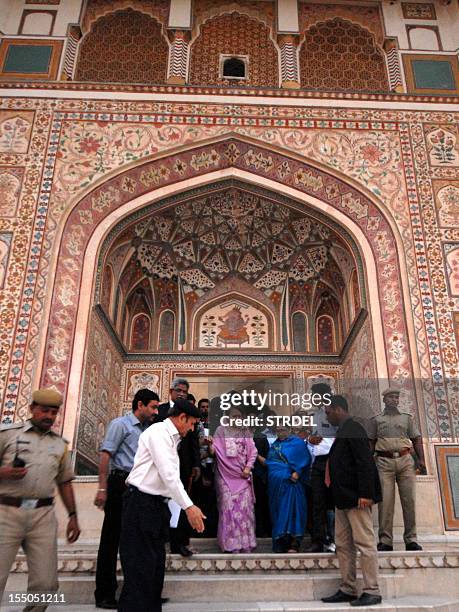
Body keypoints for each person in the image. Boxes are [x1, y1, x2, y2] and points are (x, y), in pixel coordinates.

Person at [118, 398, 205, 612]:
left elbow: (168, 480)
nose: (192, 429)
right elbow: (169, 476)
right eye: (192, 423)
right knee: (140, 571)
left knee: (154, 571)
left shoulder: (173, 439)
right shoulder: (158, 433)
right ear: (182, 417)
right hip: (140, 505)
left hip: (155, 508)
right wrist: (189, 507)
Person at [0, 389, 81, 611]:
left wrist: (73, 516)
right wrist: (4, 473)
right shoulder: (8, 435)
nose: (49, 416)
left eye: (54, 412)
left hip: (42, 516)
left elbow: (64, 482)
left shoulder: (59, 444)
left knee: (46, 584)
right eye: (44, 410)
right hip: (7, 512)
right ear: (32, 408)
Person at [93, 388, 159, 609]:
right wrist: (102, 489)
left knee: (135, 542)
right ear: (140, 405)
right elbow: (106, 455)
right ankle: (104, 594)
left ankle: (138, 592)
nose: (155, 412)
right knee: (111, 540)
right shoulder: (120, 425)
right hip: (119, 483)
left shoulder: (149, 430)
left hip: (139, 488)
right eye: (153, 407)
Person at [321, 395, 382, 607]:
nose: (327, 417)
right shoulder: (343, 431)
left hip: (357, 499)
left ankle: (372, 590)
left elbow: (365, 462)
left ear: (338, 409)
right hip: (343, 499)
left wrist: (366, 493)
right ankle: (348, 588)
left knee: (364, 543)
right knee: (343, 544)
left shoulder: (354, 428)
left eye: (328, 412)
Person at [368, 387, 426, 552]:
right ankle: (385, 540)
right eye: (391, 397)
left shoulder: (406, 419)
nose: (395, 400)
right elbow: (370, 443)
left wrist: (421, 460)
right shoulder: (377, 420)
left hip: (405, 460)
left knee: (409, 501)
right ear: (384, 399)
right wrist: (368, 464)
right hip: (383, 461)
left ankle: (411, 539)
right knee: (385, 502)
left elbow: (416, 439)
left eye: (396, 397)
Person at [156, 378, 201, 557]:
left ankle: (179, 543)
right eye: (179, 390)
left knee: (181, 504)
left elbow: (193, 442)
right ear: (171, 391)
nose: (182, 393)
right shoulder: (160, 411)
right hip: (161, 467)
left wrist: (196, 464)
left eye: (185, 391)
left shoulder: (189, 412)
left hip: (183, 466)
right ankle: (162, 541)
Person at [210, 405, 258, 553]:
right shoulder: (220, 430)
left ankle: (245, 544)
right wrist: (209, 444)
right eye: (233, 416)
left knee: (244, 509)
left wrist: (248, 468)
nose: (237, 419)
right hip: (225, 475)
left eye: (239, 416)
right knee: (228, 509)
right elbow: (215, 450)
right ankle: (230, 545)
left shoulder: (246, 432)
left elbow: (253, 452)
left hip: (243, 475)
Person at [265, 425, 311, 553]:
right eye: (278, 430)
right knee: (279, 512)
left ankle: (294, 543)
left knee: (293, 510)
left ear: (289, 430)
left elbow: (305, 459)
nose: (280, 432)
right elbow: (271, 462)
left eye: (283, 429)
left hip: (292, 484)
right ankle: (281, 543)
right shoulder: (274, 445)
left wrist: (297, 471)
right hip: (276, 485)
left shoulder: (297, 443)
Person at [305, 382, 338, 553]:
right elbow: (310, 438)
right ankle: (318, 540)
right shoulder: (314, 415)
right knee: (317, 503)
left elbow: (339, 437)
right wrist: (309, 440)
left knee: (331, 504)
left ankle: (332, 539)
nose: (314, 398)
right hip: (316, 462)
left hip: (331, 462)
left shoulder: (334, 413)